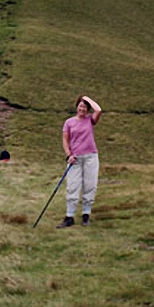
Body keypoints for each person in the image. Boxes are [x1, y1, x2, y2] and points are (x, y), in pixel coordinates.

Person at [57, 95, 102, 228]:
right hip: (75, 158)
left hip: (91, 157)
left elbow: (99, 110)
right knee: (73, 186)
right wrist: (68, 154)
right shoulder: (69, 122)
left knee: (90, 185)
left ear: (87, 109)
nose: (82, 109)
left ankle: (86, 215)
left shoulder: (90, 120)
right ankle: (69, 216)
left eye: (85, 107)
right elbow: (65, 140)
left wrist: (87, 98)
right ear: (77, 107)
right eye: (80, 106)